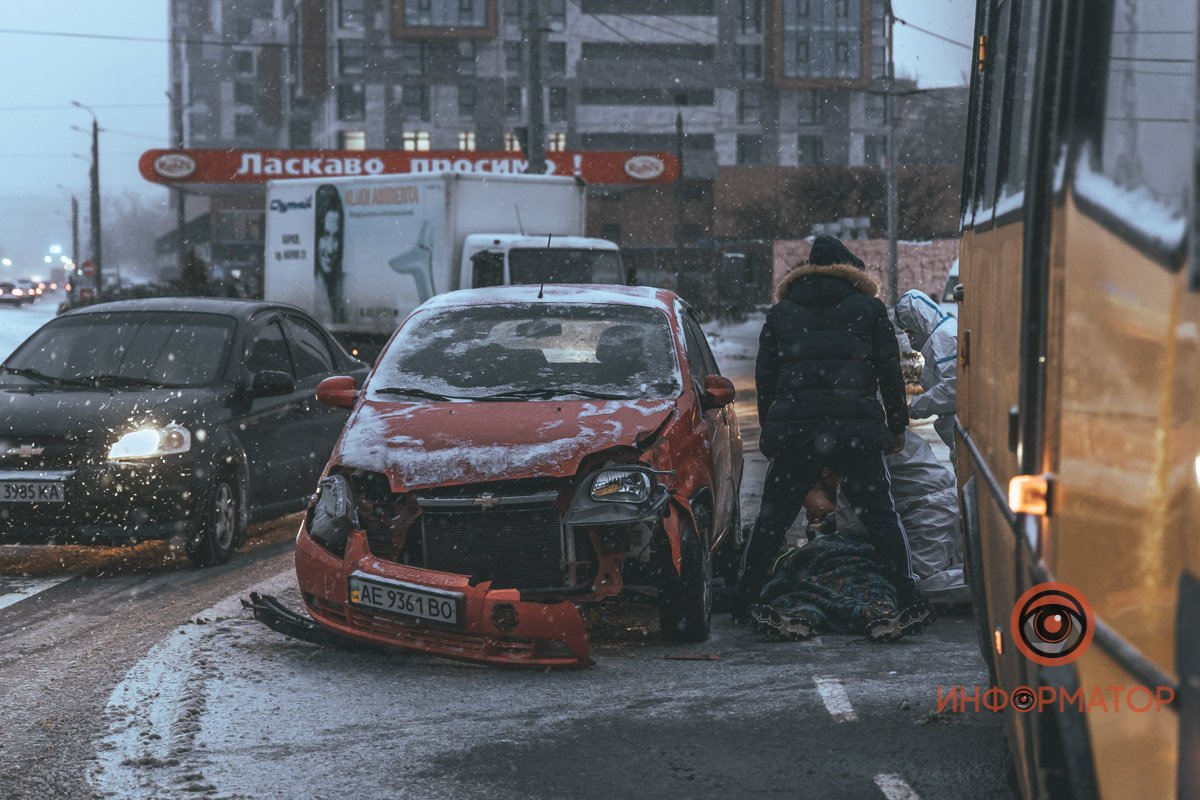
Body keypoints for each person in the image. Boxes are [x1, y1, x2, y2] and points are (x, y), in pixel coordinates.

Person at [734, 236, 929, 637]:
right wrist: (895, 426)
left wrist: (774, 428)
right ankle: (907, 594)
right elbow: (890, 374)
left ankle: (746, 596)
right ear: (850, 271)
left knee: (773, 517)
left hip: (796, 431)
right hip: (854, 429)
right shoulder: (870, 309)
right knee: (881, 515)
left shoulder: (782, 313)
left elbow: (766, 378)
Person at [895, 289, 957, 450]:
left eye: (909, 330)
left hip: (957, 426)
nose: (910, 337)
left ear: (918, 319)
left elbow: (951, 388)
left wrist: (917, 406)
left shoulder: (943, 337)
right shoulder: (941, 335)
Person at [315, 184, 346, 324]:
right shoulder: (315, 290)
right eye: (325, 235)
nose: (331, 249)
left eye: (336, 237)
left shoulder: (340, 288)